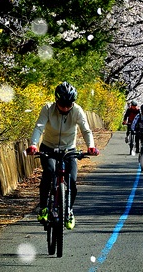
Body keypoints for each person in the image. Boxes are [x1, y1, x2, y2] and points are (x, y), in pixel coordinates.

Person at [27, 81, 99, 230]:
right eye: (62, 104)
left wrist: (90, 146)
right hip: (49, 148)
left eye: (69, 104)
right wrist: (33, 145)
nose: (66, 108)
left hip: (69, 150)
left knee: (72, 181)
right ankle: (44, 208)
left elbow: (86, 130)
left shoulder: (77, 110)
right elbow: (39, 127)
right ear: (56, 100)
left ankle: (69, 210)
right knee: (49, 172)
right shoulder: (47, 109)